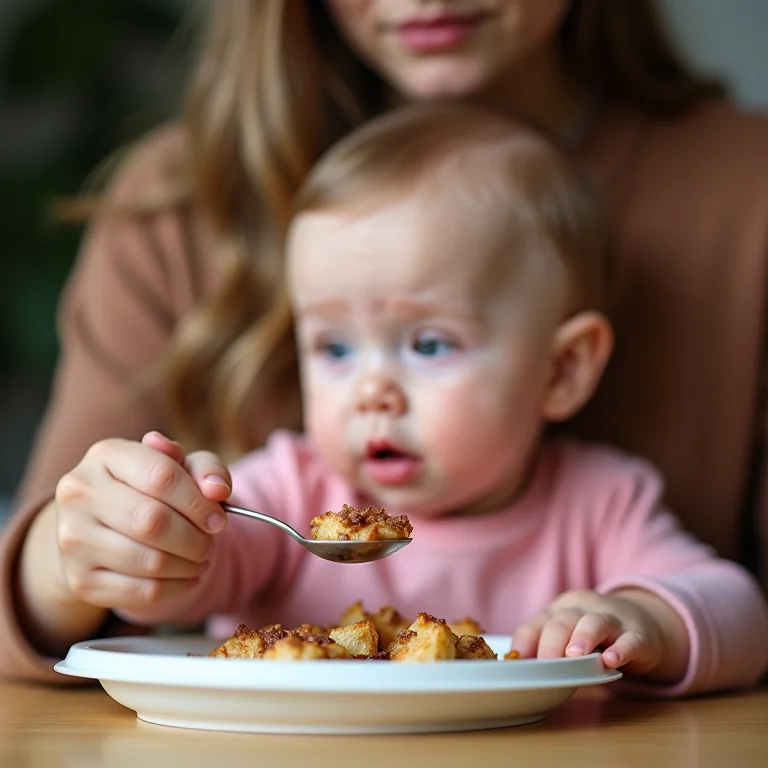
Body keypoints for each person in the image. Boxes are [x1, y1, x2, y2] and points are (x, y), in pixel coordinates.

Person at [2, 1, 768, 681]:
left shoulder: (601, 506)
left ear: (564, 368)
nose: (371, 390)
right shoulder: (288, 497)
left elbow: (734, 603)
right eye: (335, 350)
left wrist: (647, 619)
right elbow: (186, 573)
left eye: (428, 346)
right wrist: (151, 536)